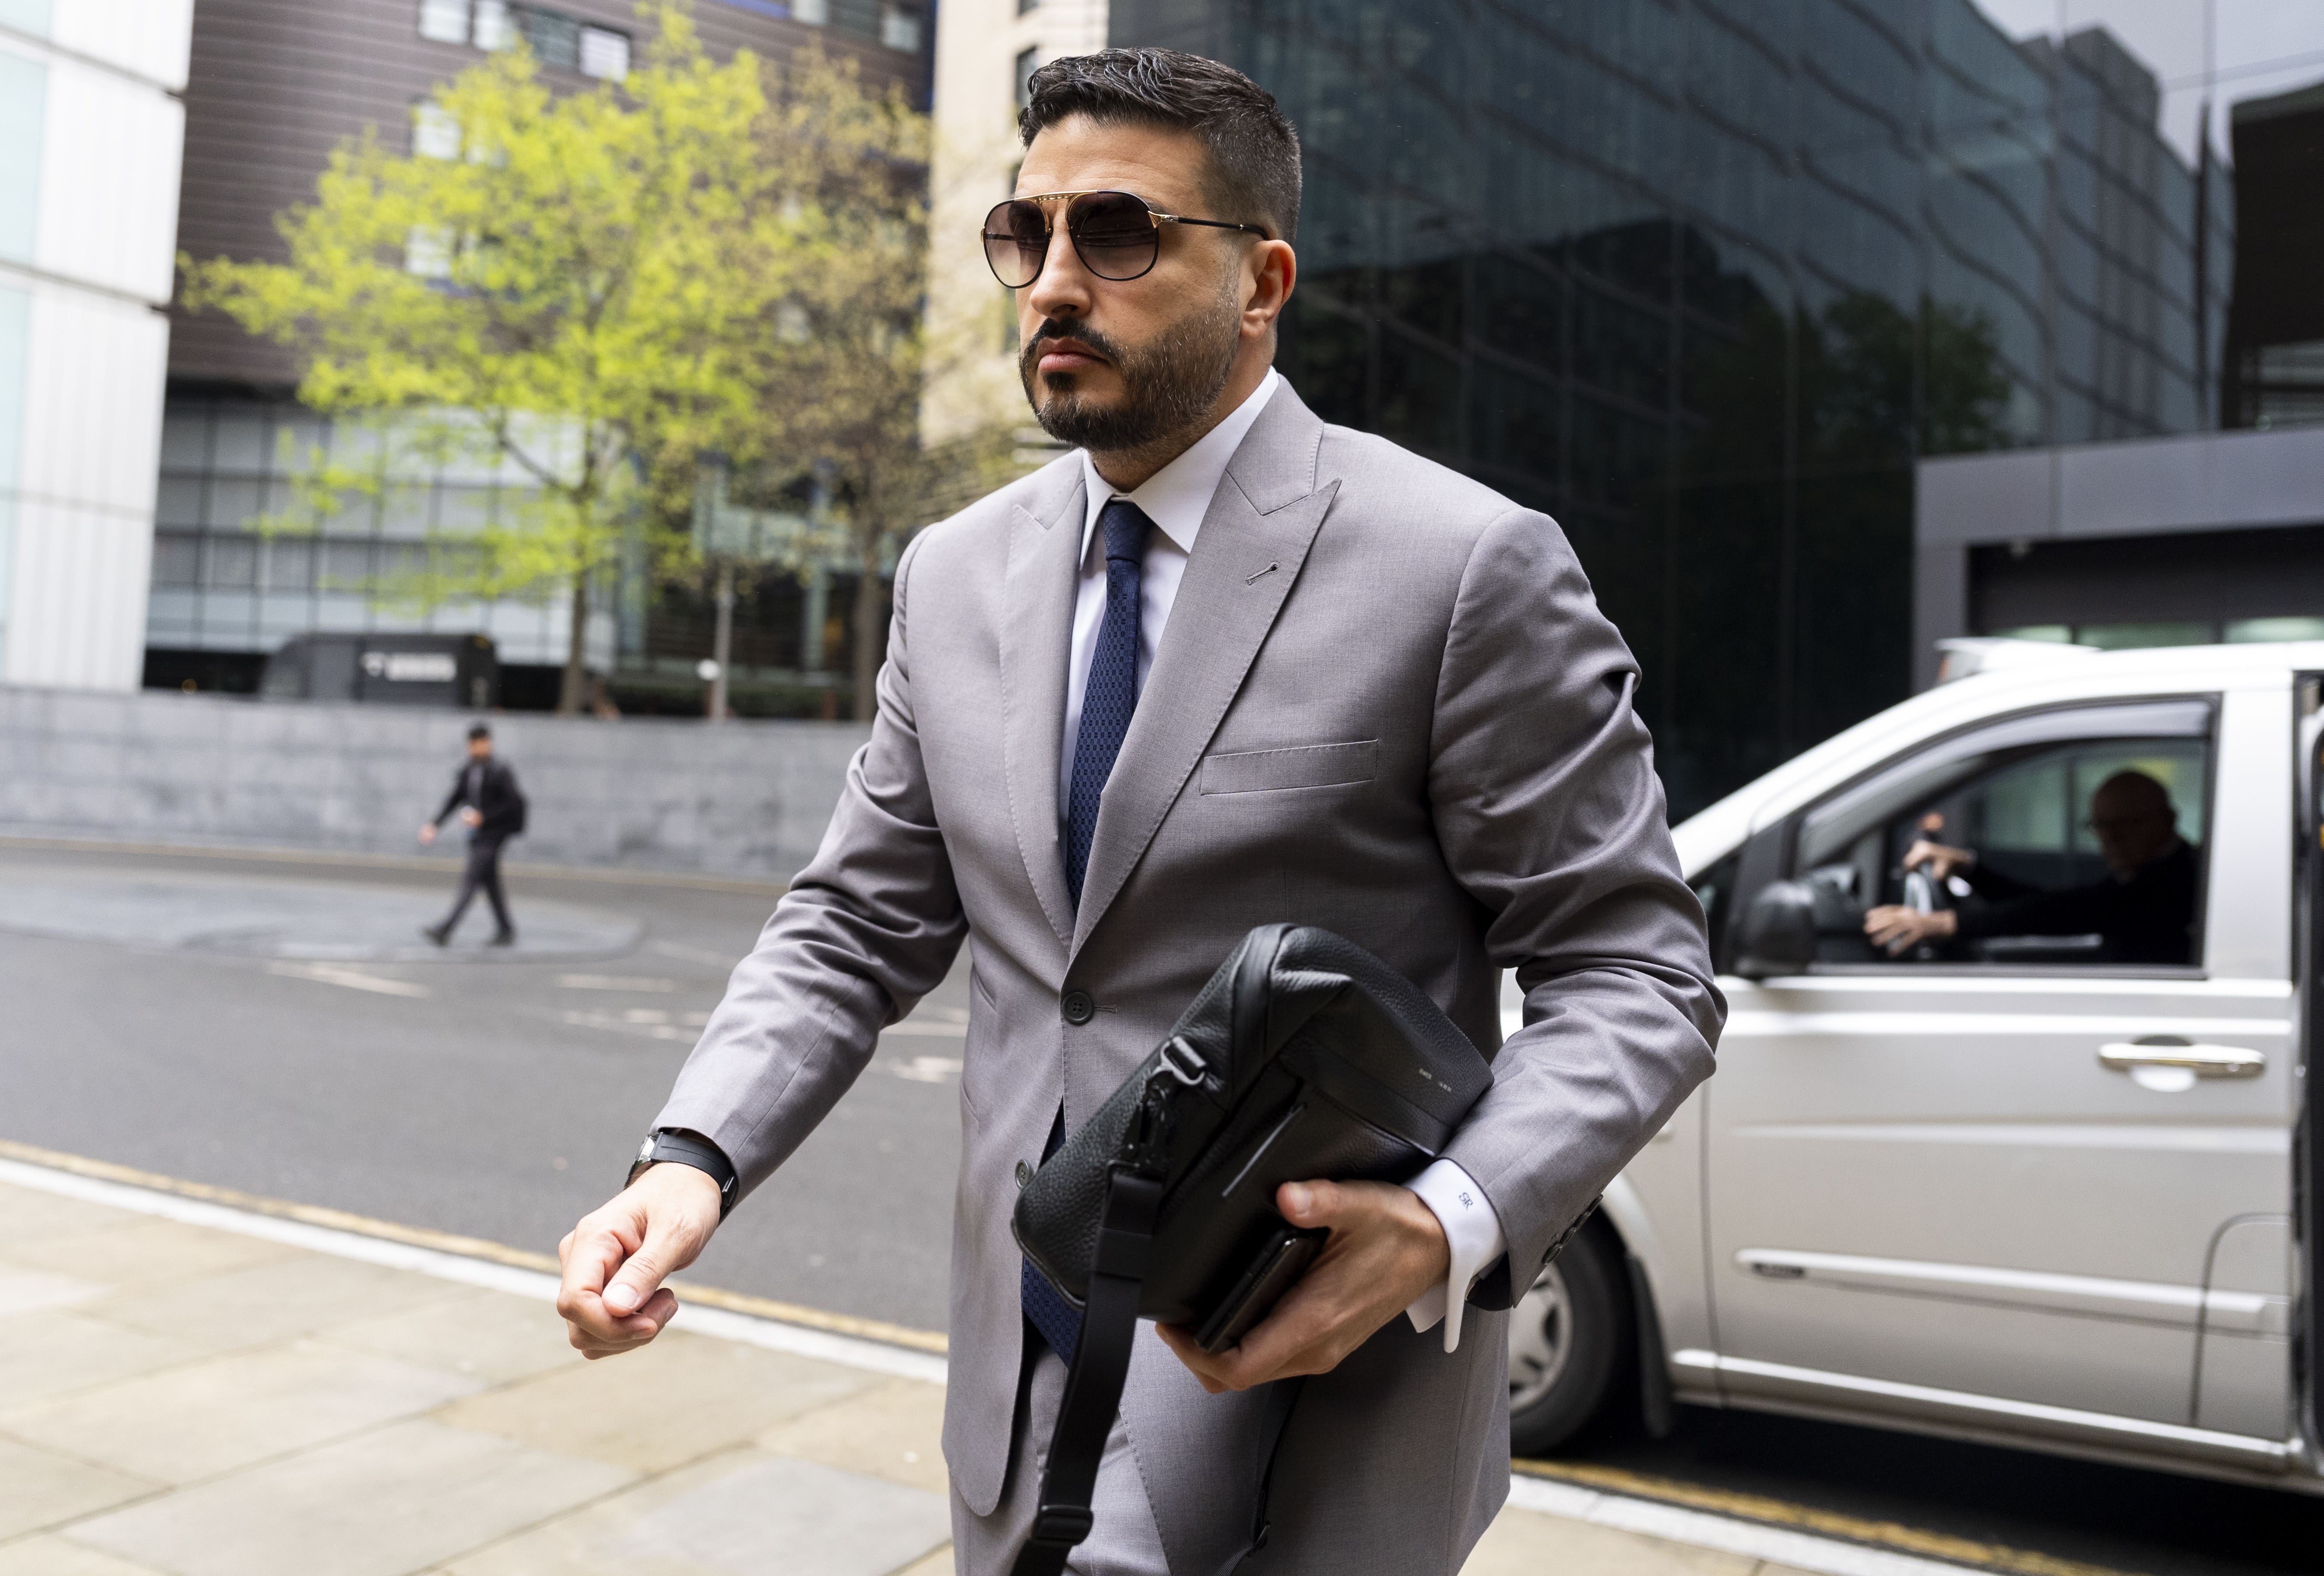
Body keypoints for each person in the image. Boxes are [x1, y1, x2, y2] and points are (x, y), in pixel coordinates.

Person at [554, 48, 1721, 1576]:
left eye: (1114, 234)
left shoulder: (1461, 565)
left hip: (1307, 1411)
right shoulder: (950, 572)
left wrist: (1440, 1223)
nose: (1049, 281)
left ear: (1260, 279)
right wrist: (688, 1157)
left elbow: (1634, 973)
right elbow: (852, 920)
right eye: (1022, 235)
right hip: (1011, 1399)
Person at [1863, 769, 2198, 964]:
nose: (2110, 839)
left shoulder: (2176, 881)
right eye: (2100, 826)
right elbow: (2046, 903)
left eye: (2126, 825)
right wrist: (1969, 869)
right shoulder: (2148, 871)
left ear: (2167, 821)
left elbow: (2065, 911)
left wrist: (1943, 923)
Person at [418, 723, 526, 947]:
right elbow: (454, 799)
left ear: (487, 743)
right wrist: (434, 825)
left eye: (479, 743)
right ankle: (506, 929)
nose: (475, 748)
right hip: (478, 834)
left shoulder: (499, 770)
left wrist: (484, 817)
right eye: (472, 744)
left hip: (495, 834)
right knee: (490, 882)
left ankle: (446, 929)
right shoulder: (469, 770)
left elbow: (514, 803)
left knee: (471, 878)